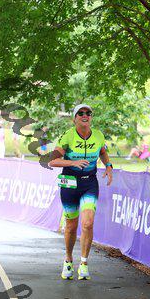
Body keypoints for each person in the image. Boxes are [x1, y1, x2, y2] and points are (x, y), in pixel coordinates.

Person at [48, 104, 113, 280]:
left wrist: (108, 165)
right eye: (81, 113)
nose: (85, 115)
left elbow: (102, 152)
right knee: (71, 225)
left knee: (88, 223)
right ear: (74, 118)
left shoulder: (98, 135)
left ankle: (84, 263)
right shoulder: (68, 136)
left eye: (88, 113)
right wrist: (72, 163)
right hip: (69, 184)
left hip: (89, 183)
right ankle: (68, 259)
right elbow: (52, 161)